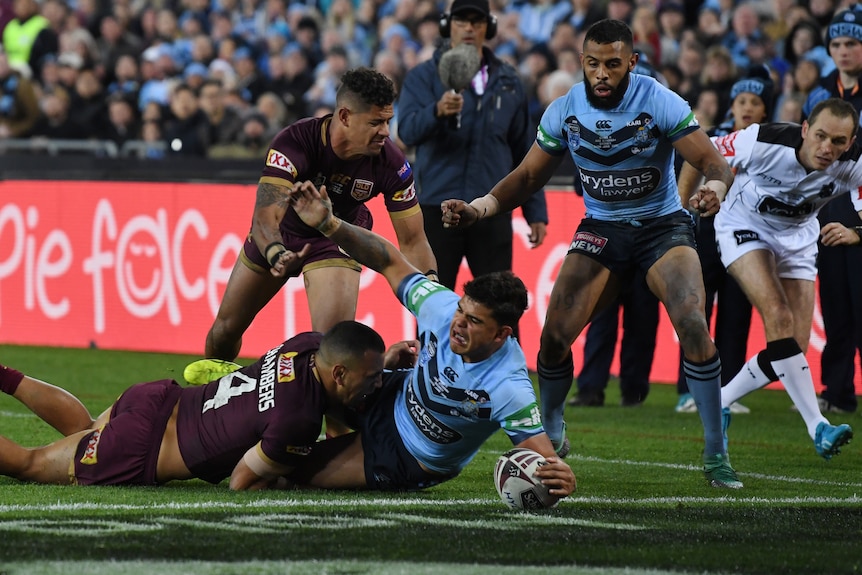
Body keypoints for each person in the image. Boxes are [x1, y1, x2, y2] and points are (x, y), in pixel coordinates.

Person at [440, 19, 742, 488]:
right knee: (554, 338)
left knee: (692, 322)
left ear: (632, 64)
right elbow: (525, 178)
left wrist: (718, 187)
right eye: (594, 63)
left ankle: (715, 451)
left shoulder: (660, 100)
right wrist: (480, 209)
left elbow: (711, 161)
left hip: (661, 225)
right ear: (582, 61)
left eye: (613, 65)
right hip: (603, 228)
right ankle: (555, 427)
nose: (602, 73)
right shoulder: (564, 109)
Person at [281, 179, 576, 498]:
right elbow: (387, 260)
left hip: (408, 456)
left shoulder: (508, 387)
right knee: (296, 377)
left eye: (473, 321)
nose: (458, 324)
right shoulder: (442, 307)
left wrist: (561, 477)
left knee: (286, 470)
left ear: (501, 334)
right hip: (388, 394)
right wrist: (329, 224)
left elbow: (546, 464)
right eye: (462, 311)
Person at [201, 67, 437, 368]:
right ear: (345, 117)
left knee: (332, 352)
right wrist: (276, 253)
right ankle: (210, 400)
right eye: (376, 122)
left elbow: (414, 239)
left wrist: (431, 293)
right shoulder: (295, 141)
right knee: (224, 332)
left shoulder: (392, 164)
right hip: (281, 234)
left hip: (338, 237)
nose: (386, 132)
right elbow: (264, 218)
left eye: (388, 121)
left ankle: (331, 415)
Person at [0, 321, 416, 489]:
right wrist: (284, 476)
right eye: (371, 378)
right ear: (339, 374)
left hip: (156, 398)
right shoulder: (299, 422)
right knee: (27, 464)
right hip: (141, 448)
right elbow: (241, 481)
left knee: (89, 428)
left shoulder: (307, 345)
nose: (375, 386)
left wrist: (383, 361)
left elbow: (332, 362)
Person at [688, 97, 858, 459]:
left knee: (791, 346)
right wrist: (686, 201)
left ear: (852, 142)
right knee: (778, 316)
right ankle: (818, 427)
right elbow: (699, 149)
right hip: (743, 225)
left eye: (839, 142)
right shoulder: (762, 141)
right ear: (805, 129)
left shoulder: (854, 165)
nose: (828, 149)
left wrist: (857, 231)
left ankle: (720, 402)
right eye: (821, 136)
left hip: (797, 238)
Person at [397, 0, 548, 295]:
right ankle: (431, 346)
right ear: (447, 25)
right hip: (436, 207)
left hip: (493, 206)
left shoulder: (508, 81)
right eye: (461, 20)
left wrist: (536, 211)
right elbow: (407, 131)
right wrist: (436, 112)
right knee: (433, 302)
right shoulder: (424, 76)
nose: (469, 28)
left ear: (488, 27)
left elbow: (526, 153)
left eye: (476, 22)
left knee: (498, 305)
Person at [675, 69, 775, 415]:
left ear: (765, 111)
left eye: (755, 102)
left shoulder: (770, 144)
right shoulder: (709, 138)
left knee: (736, 317)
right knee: (694, 313)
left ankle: (727, 394)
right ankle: (688, 391)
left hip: (748, 239)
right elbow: (687, 173)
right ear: (732, 104)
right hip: (705, 236)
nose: (747, 107)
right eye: (741, 100)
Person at [803, 5, 862, 414]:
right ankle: (836, 391)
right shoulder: (819, 92)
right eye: (837, 44)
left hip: (860, 208)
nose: (843, 51)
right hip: (827, 208)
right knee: (837, 308)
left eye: (852, 43)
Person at [568, 270, 659, 408]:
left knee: (641, 325)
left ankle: (633, 393)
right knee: (602, 325)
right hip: (611, 259)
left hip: (643, 261)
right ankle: (591, 390)